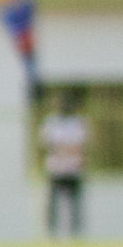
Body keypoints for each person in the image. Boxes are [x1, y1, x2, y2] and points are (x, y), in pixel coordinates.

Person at [40, 91, 91, 237]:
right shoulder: (51, 122)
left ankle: (75, 233)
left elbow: (81, 146)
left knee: (74, 204)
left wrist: (66, 150)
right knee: (53, 204)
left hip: (74, 168)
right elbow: (49, 145)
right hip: (56, 169)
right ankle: (51, 233)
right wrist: (65, 149)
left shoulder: (78, 122)